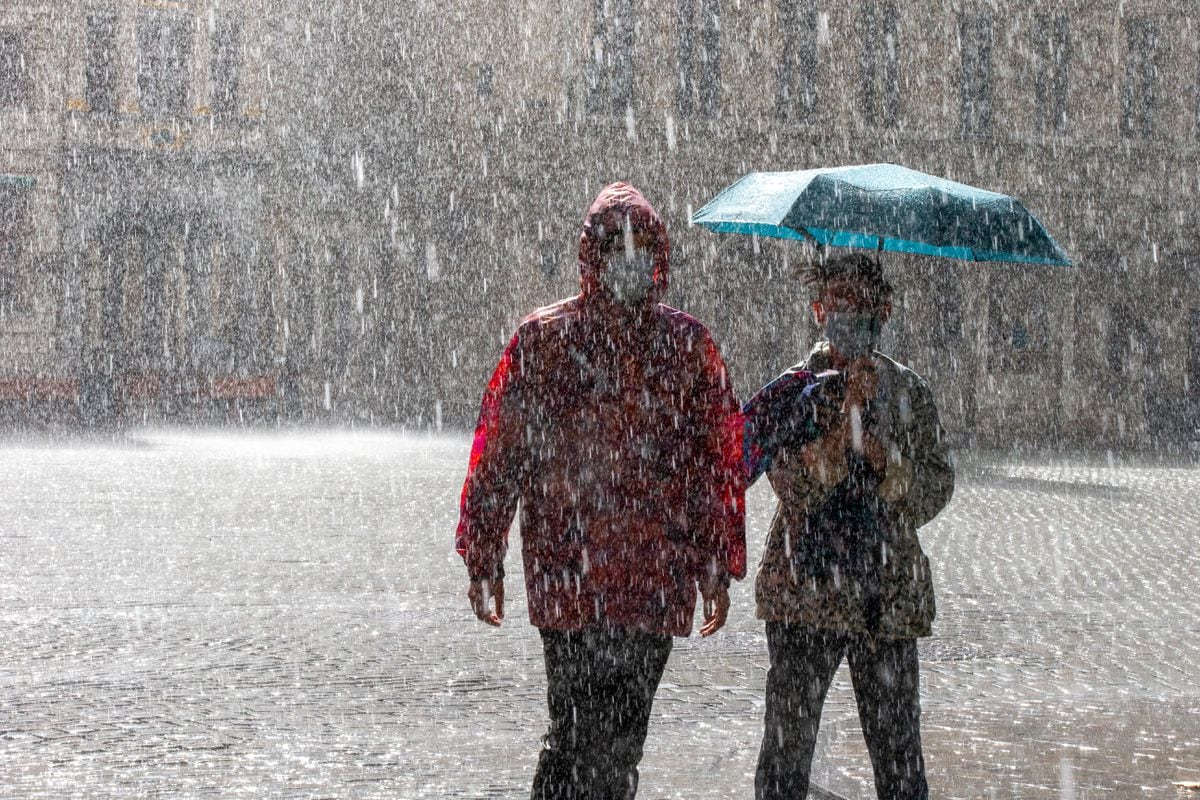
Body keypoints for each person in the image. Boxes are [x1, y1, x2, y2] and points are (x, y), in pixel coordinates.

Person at [455, 182, 746, 800]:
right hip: (577, 576)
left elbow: (714, 463)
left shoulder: (687, 349)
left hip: (639, 575)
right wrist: (484, 552)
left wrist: (716, 561)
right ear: (596, 256)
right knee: (573, 737)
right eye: (618, 248)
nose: (631, 262)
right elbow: (501, 451)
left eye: (641, 248)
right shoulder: (547, 341)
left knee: (617, 743)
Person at [744, 252, 955, 800]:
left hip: (885, 603)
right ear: (819, 310)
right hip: (804, 598)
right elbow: (794, 489)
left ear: (884, 311)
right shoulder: (794, 391)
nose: (851, 317)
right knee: (785, 760)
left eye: (864, 307)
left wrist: (885, 458)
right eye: (840, 306)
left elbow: (934, 490)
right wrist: (843, 429)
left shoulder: (909, 392)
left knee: (900, 764)